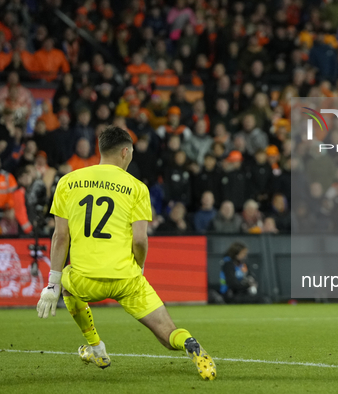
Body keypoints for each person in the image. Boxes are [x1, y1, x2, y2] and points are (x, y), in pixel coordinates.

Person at [36, 126, 216, 380]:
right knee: (167, 333)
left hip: (86, 279)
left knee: (68, 284)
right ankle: (191, 345)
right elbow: (140, 241)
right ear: (125, 152)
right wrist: (139, 268)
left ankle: (96, 347)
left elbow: (60, 237)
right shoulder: (136, 187)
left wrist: (52, 283)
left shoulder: (68, 182)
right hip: (127, 280)